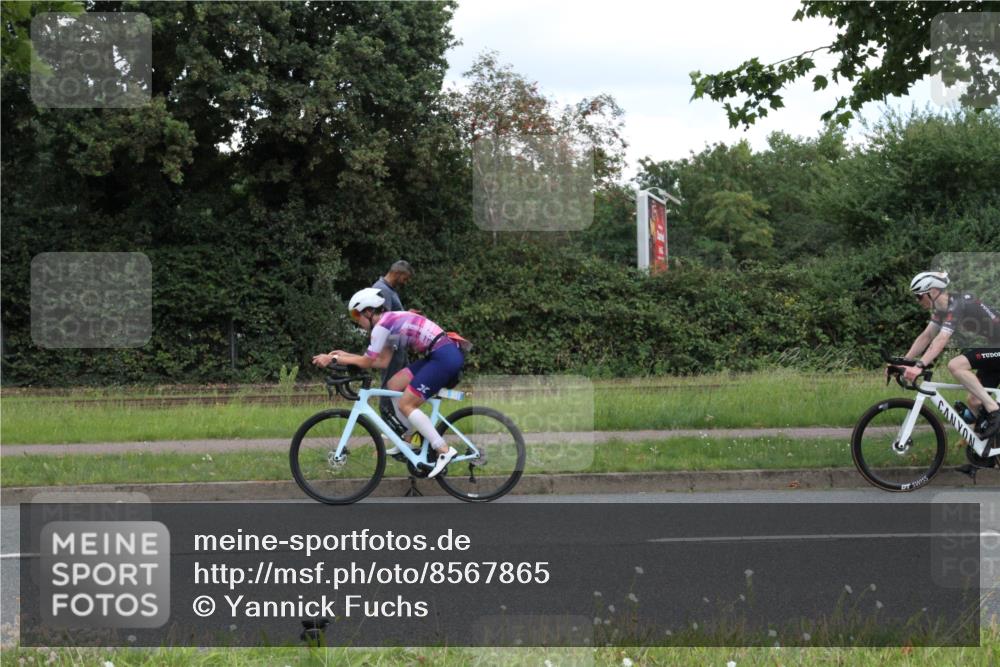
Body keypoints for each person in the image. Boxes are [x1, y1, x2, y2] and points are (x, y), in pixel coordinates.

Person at [312, 287, 463, 478]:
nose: (356, 320)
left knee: (406, 404)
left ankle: (443, 449)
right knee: (394, 384)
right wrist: (345, 355)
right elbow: (382, 361)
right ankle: (408, 438)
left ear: (368, 311)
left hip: (443, 357)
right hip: (439, 354)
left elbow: (367, 362)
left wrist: (334, 359)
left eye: (356, 314)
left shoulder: (383, 326)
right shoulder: (389, 322)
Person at [900, 271, 1000, 448]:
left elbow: (940, 341)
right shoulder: (942, 310)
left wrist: (920, 365)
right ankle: (987, 454)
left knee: (956, 365)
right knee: (975, 401)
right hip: (995, 345)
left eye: (918, 296)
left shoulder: (957, 304)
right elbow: (926, 336)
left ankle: (994, 410)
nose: (917, 300)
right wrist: (905, 361)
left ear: (931, 292)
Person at [371, 260, 415, 433]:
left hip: (398, 349)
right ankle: (388, 431)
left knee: (402, 391)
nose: (406, 282)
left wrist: (406, 315)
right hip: (392, 350)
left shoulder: (390, 291)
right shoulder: (382, 290)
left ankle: (404, 431)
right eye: (405, 278)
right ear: (397, 273)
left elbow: (393, 317)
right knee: (389, 390)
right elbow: (384, 322)